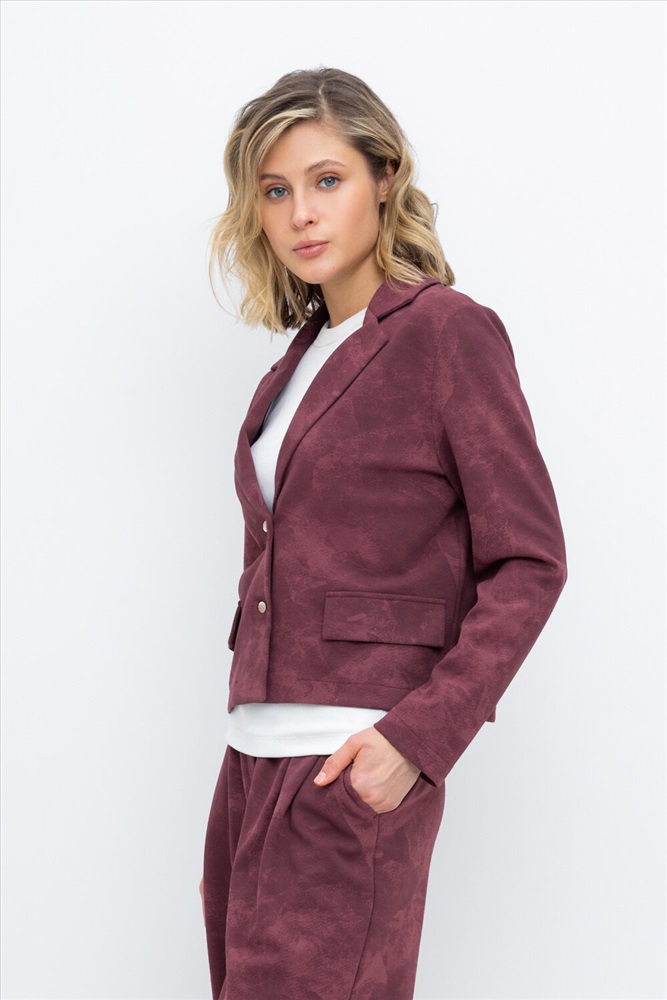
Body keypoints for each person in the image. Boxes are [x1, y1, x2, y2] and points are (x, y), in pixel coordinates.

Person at [201, 67, 566, 1000]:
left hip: (347, 758)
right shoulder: (297, 359)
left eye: (326, 180)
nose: (300, 214)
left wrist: (415, 739)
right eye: (274, 191)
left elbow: (529, 560)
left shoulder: (446, 333)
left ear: (384, 179)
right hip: (249, 760)